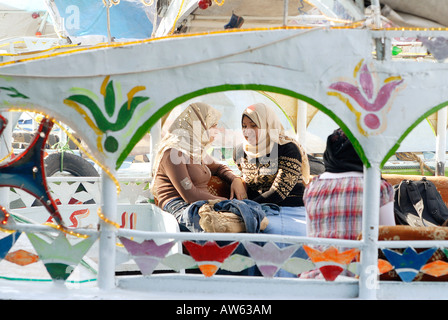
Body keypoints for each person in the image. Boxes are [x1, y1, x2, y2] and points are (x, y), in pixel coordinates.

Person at [301, 128, 395, 278]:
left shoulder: (312, 187)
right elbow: (390, 241)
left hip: (320, 276)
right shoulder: (379, 187)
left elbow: (311, 240)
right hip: (364, 277)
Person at [233, 103, 311, 276]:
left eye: (254, 125)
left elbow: (280, 191)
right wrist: (236, 179)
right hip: (259, 210)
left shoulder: (287, 147)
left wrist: (244, 206)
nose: (248, 131)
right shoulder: (240, 151)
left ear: (268, 124)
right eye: (244, 126)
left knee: (276, 235)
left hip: (291, 209)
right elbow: (244, 176)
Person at [151, 102, 246, 231]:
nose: (217, 131)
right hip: (181, 208)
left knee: (252, 212)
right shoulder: (173, 153)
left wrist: (235, 179)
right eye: (213, 126)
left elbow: (219, 167)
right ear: (198, 126)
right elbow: (190, 195)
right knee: (228, 224)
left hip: (203, 205)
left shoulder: (195, 151)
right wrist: (228, 202)